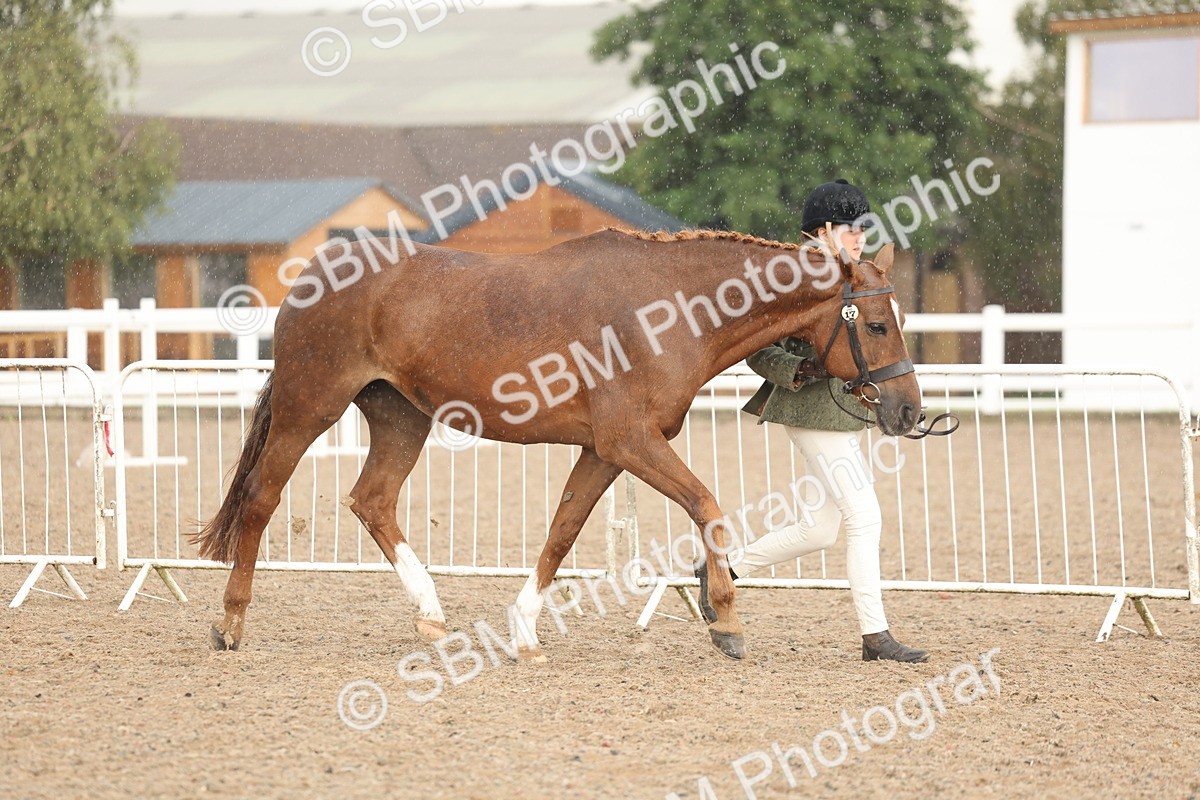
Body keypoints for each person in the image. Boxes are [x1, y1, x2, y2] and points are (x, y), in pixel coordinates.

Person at [697, 178, 929, 663]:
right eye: (851, 229)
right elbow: (757, 346)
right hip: (809, 411)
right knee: (865, 518)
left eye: (864, 230)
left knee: (819, 530)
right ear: (824, 229)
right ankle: (875, 636)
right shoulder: (791, 277)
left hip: (845, 414)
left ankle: (722, 568)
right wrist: (797, 368)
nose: (860, 238)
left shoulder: (853, 274)